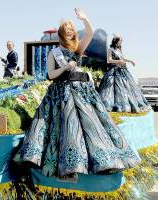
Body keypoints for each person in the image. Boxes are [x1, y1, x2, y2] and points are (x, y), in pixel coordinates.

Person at [16, 8, 140, 180]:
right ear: (61, 34)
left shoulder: (77, 49)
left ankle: (103, 160)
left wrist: (85, 19)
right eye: (66, 32)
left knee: (93, 126)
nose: (69, 34)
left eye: (71, 31)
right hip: (62, 92)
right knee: (68, 126)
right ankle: (69, 165)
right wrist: (65, 67)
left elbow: (89, 33)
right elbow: (51, 75)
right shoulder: (54, 53)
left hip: (83, 92)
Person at [98, 35, 150, 112]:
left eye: (121, 41)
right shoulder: (110, 50)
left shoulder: (119, 50)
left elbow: (123, 59)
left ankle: (126, 104)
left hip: (123, 70)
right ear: (115, 41)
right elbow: (109, 60)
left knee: (126, 88)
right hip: (113, 71)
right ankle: (113, 105)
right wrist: (119, 61)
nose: (121, 43)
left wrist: (130, 61)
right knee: (110, 89)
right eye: (120, 41)